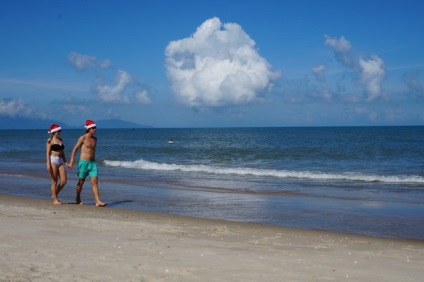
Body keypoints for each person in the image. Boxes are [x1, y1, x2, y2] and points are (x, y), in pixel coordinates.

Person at [68, 120, 106, 207]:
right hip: (83, 163)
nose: (95, 129)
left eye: (95, 128)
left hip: (93, 163)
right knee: (81, 181)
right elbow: (74, 149)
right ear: (89, 129)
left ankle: (97, 201)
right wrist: (71, 162)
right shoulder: (83, 138)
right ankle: (78, 197)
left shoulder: (95, 139)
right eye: (93, 128)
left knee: (95, 181)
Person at [46, 123, 68, 205]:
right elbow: (47, 153)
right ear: (54, 132)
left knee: (64, 181)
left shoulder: (60, 140)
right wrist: (48, 164)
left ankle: (54, 194)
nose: (60, 132)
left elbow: (62, 153)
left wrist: (65, 162)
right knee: (54, 181)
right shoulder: (49, 141)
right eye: (59, 131)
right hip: (53, 160)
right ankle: (55, 200)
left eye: (60, 131)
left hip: (60, 160)